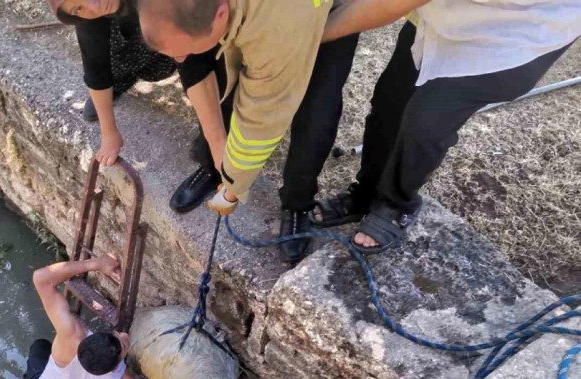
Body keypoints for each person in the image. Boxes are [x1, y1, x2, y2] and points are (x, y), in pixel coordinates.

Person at [312, 0, 580, 254]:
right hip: (451, 11)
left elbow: (389, 5)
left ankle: (394, 203)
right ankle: (367, 191)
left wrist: (309, 37)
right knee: (390, 100)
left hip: (520, 28)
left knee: (427, 121)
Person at [138, 0, 362, 263]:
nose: (177, 61)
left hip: (321, 10)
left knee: (317, 107)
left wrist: (234, 186)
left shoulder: (274, 31)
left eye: (181, 52)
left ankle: (297, 202)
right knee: (222, 75)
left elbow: (262, 117)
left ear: (221, 13)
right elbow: (194, 61)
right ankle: (213, 166)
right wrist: (218, 148)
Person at [23, 254, 161, 379]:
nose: (123, 335)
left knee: (39, 347)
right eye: (122, 344)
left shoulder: (70, 336)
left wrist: (95, 264)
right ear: (114, 368)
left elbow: (41, 278)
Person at [48, 0, 177, 166]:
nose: (94, 7)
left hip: (173, 26)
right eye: (78, 8)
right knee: (106, 47)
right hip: (132, 33)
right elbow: (95, 69)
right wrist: (109, 133)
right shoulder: (90, 12)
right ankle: (119, 81)